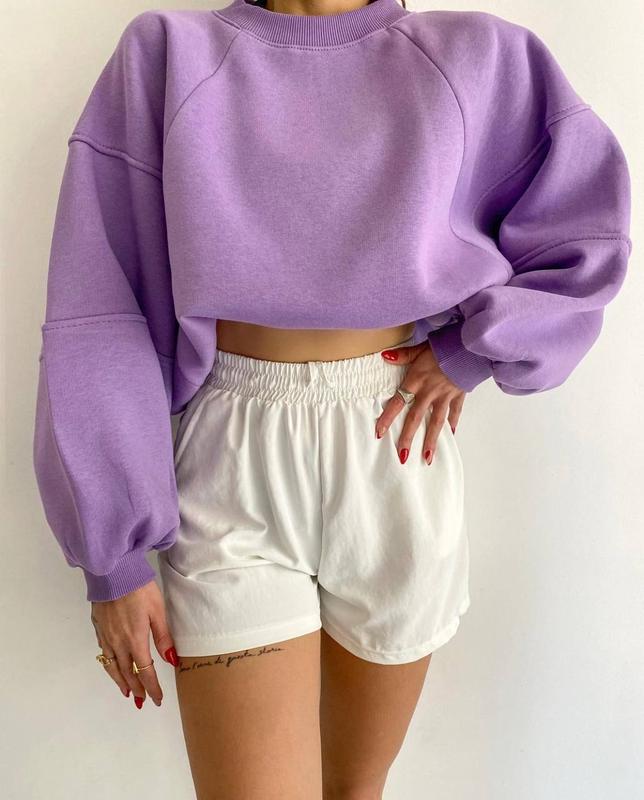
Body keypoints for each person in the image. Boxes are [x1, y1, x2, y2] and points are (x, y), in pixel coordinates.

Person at [32, 0, 631, 796]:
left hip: (394, 440)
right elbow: (100, 311)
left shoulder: (477, 57)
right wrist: (111, 555)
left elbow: (586, 239)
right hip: (231, 457)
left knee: (354, 792)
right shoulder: (169, 54)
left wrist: (469, 352)